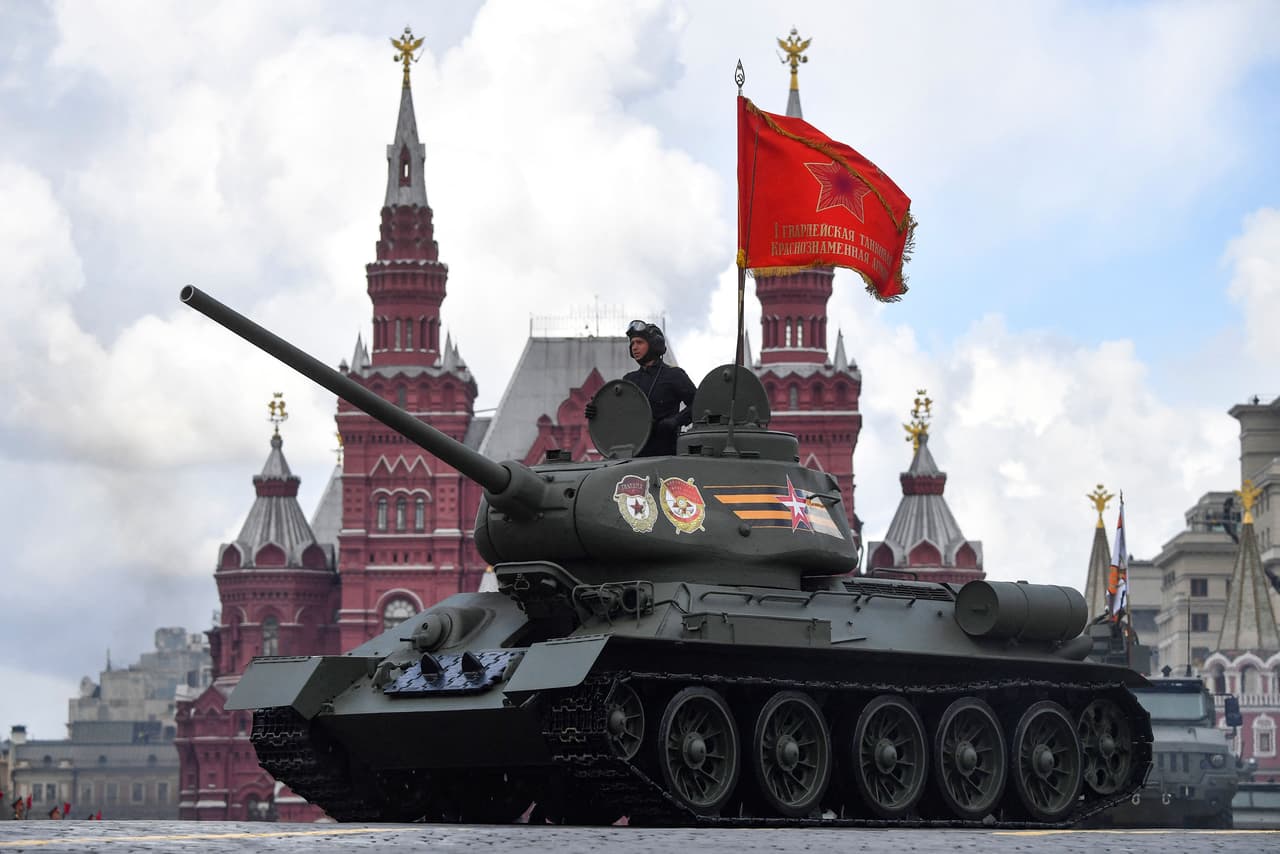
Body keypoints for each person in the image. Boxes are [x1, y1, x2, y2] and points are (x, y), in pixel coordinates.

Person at [587, 319, 695, 457]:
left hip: (666, 455)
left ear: (655, 345)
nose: (634, 347)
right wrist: (597, 412)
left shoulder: (673, 375)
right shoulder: (629, 380)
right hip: (634, 453)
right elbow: (618, 415)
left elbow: (697, 403)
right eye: (632, 343)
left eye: (639, 342)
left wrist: (676, 421)